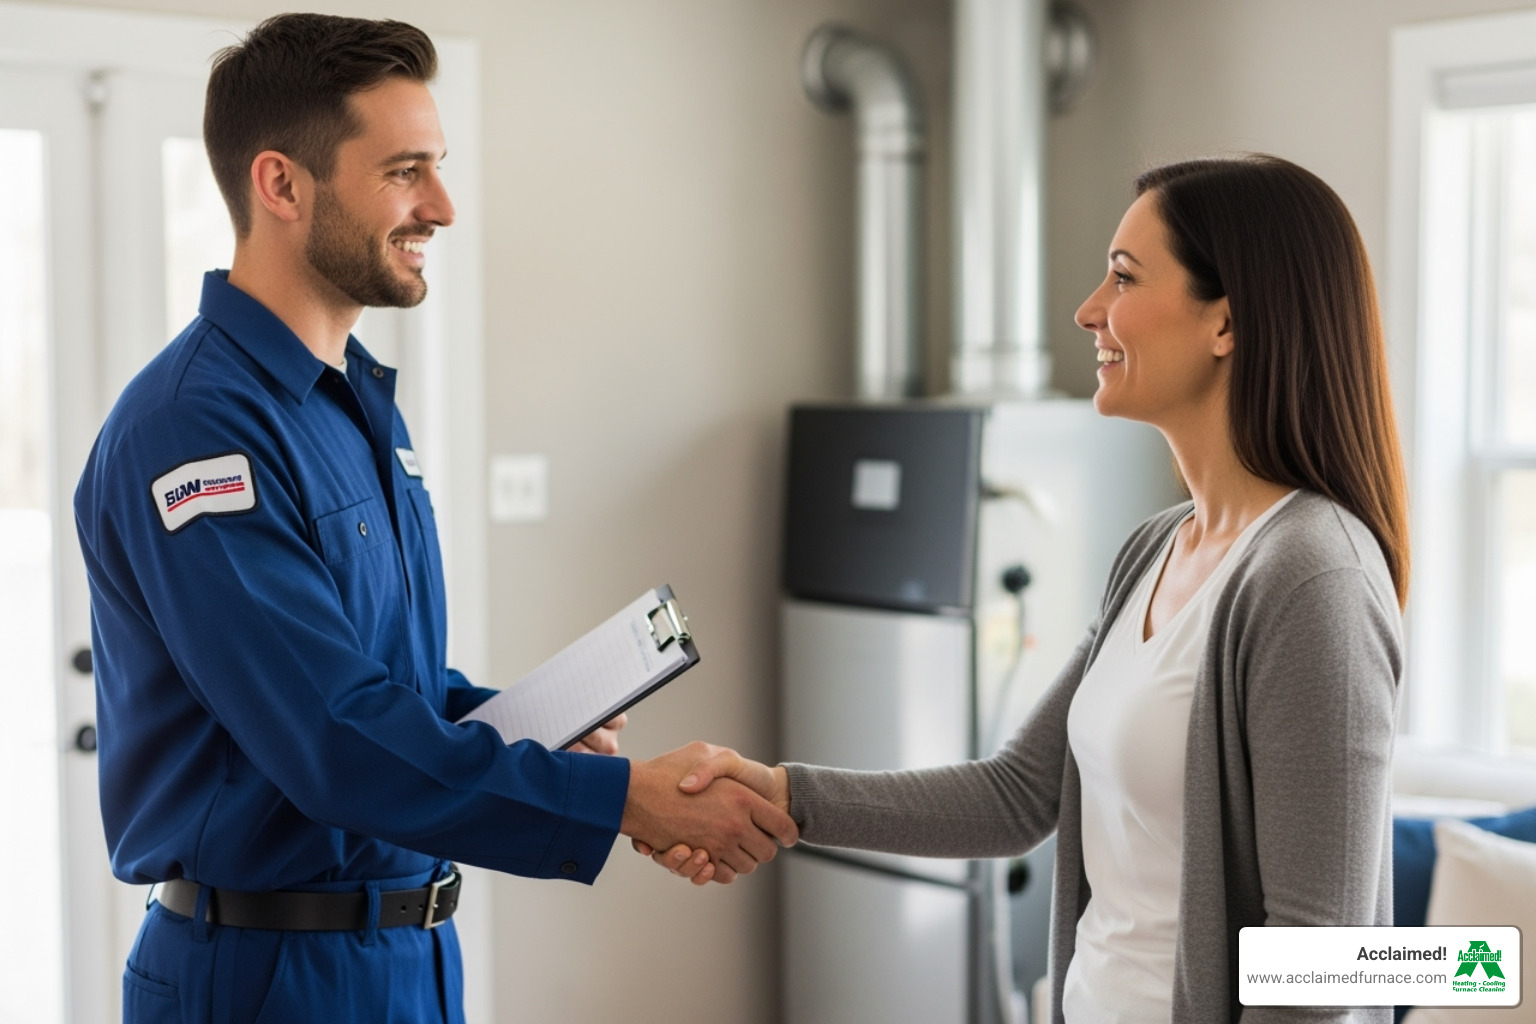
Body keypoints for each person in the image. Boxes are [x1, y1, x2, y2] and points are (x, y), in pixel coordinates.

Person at [74, 14, 794, 1023]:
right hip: (263, 977)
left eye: (439, 167)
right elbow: (332, 736)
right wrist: (624, 798)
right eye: (406, 170)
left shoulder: (357, 405)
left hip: (406, 957)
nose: (444, 207)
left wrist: (534, 733)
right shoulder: (194, 430)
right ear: (281, 184)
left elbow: (379, 684)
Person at [642, 155, 1409, 1022]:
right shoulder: (1154, 549)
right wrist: (780, 794)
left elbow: (1326, 961)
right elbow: (1013, 796)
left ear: (1226, 322)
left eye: (1123, 278)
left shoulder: (1313, 577)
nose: (1088, 311)